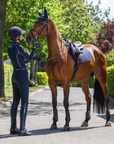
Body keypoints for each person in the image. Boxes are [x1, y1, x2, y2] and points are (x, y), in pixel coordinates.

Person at [8, 26, 36, 136]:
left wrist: (30, 58)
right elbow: (28, 58)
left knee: (15, 102)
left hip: (15, 74)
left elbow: (20, 60)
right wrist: (34, 49)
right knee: (24, 102)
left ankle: (13, 127)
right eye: (21, 35)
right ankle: (22, 129)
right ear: (18, 36)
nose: (22, 36)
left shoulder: (10, 48)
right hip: (22, 75)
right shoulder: (19, 47)